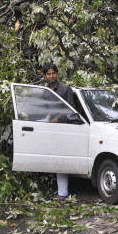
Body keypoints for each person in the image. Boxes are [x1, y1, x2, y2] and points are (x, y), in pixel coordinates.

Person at [43, 63, 75, 200]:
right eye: (48, 74)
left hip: (63, 127)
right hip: (50, 126)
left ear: (57, 74)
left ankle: (62, 193)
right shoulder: (45, 90)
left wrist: (57, 118)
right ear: (45, 75)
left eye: (53, 73)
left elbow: (70, 109)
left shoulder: (65, 89)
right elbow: (44, 108)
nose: (51, 76)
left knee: (61, 159)